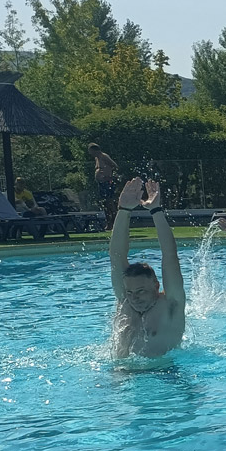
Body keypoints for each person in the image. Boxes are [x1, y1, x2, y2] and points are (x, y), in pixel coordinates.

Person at [109, 178, 186, 357]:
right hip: (124, 376)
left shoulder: (171, 305)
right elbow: (116, 257)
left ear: (156, 285)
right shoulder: (125, 301)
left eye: (141, 291)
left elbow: (170, 256)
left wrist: (156, 210)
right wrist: (124, 210)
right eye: (130, 292)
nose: (134, 298)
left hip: (165, 375)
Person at [87, 143, 118, 226]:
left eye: (90, 151)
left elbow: (114, 166)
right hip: (101, 183)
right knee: (104, 203)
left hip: (107, 182)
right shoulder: (96, 158)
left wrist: (108, 176)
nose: (90, 153)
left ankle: (114, 221)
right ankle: (109, 221)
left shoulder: (104, 156)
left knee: (109, 202)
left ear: (94, 150)